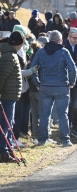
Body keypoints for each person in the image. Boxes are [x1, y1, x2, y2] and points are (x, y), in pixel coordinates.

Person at [30, 30, 77, 147]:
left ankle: (42, 139)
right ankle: (65, 140)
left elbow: (32, 69)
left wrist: (37, 83)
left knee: (45, 114)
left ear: (49, 39)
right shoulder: (63, 51)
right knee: (62, 114)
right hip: (61, 86)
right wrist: (71, 83)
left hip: (45, 86)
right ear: (60, 40)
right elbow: (73, 69)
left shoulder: (40, 52)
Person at [0, 31, 24, 162]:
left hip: (10, 95)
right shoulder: (9, 56)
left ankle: (8, 149)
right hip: (6, 96)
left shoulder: (11, 54)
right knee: (6, 124)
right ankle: (3, 151)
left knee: (9, 123)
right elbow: (2, 76)